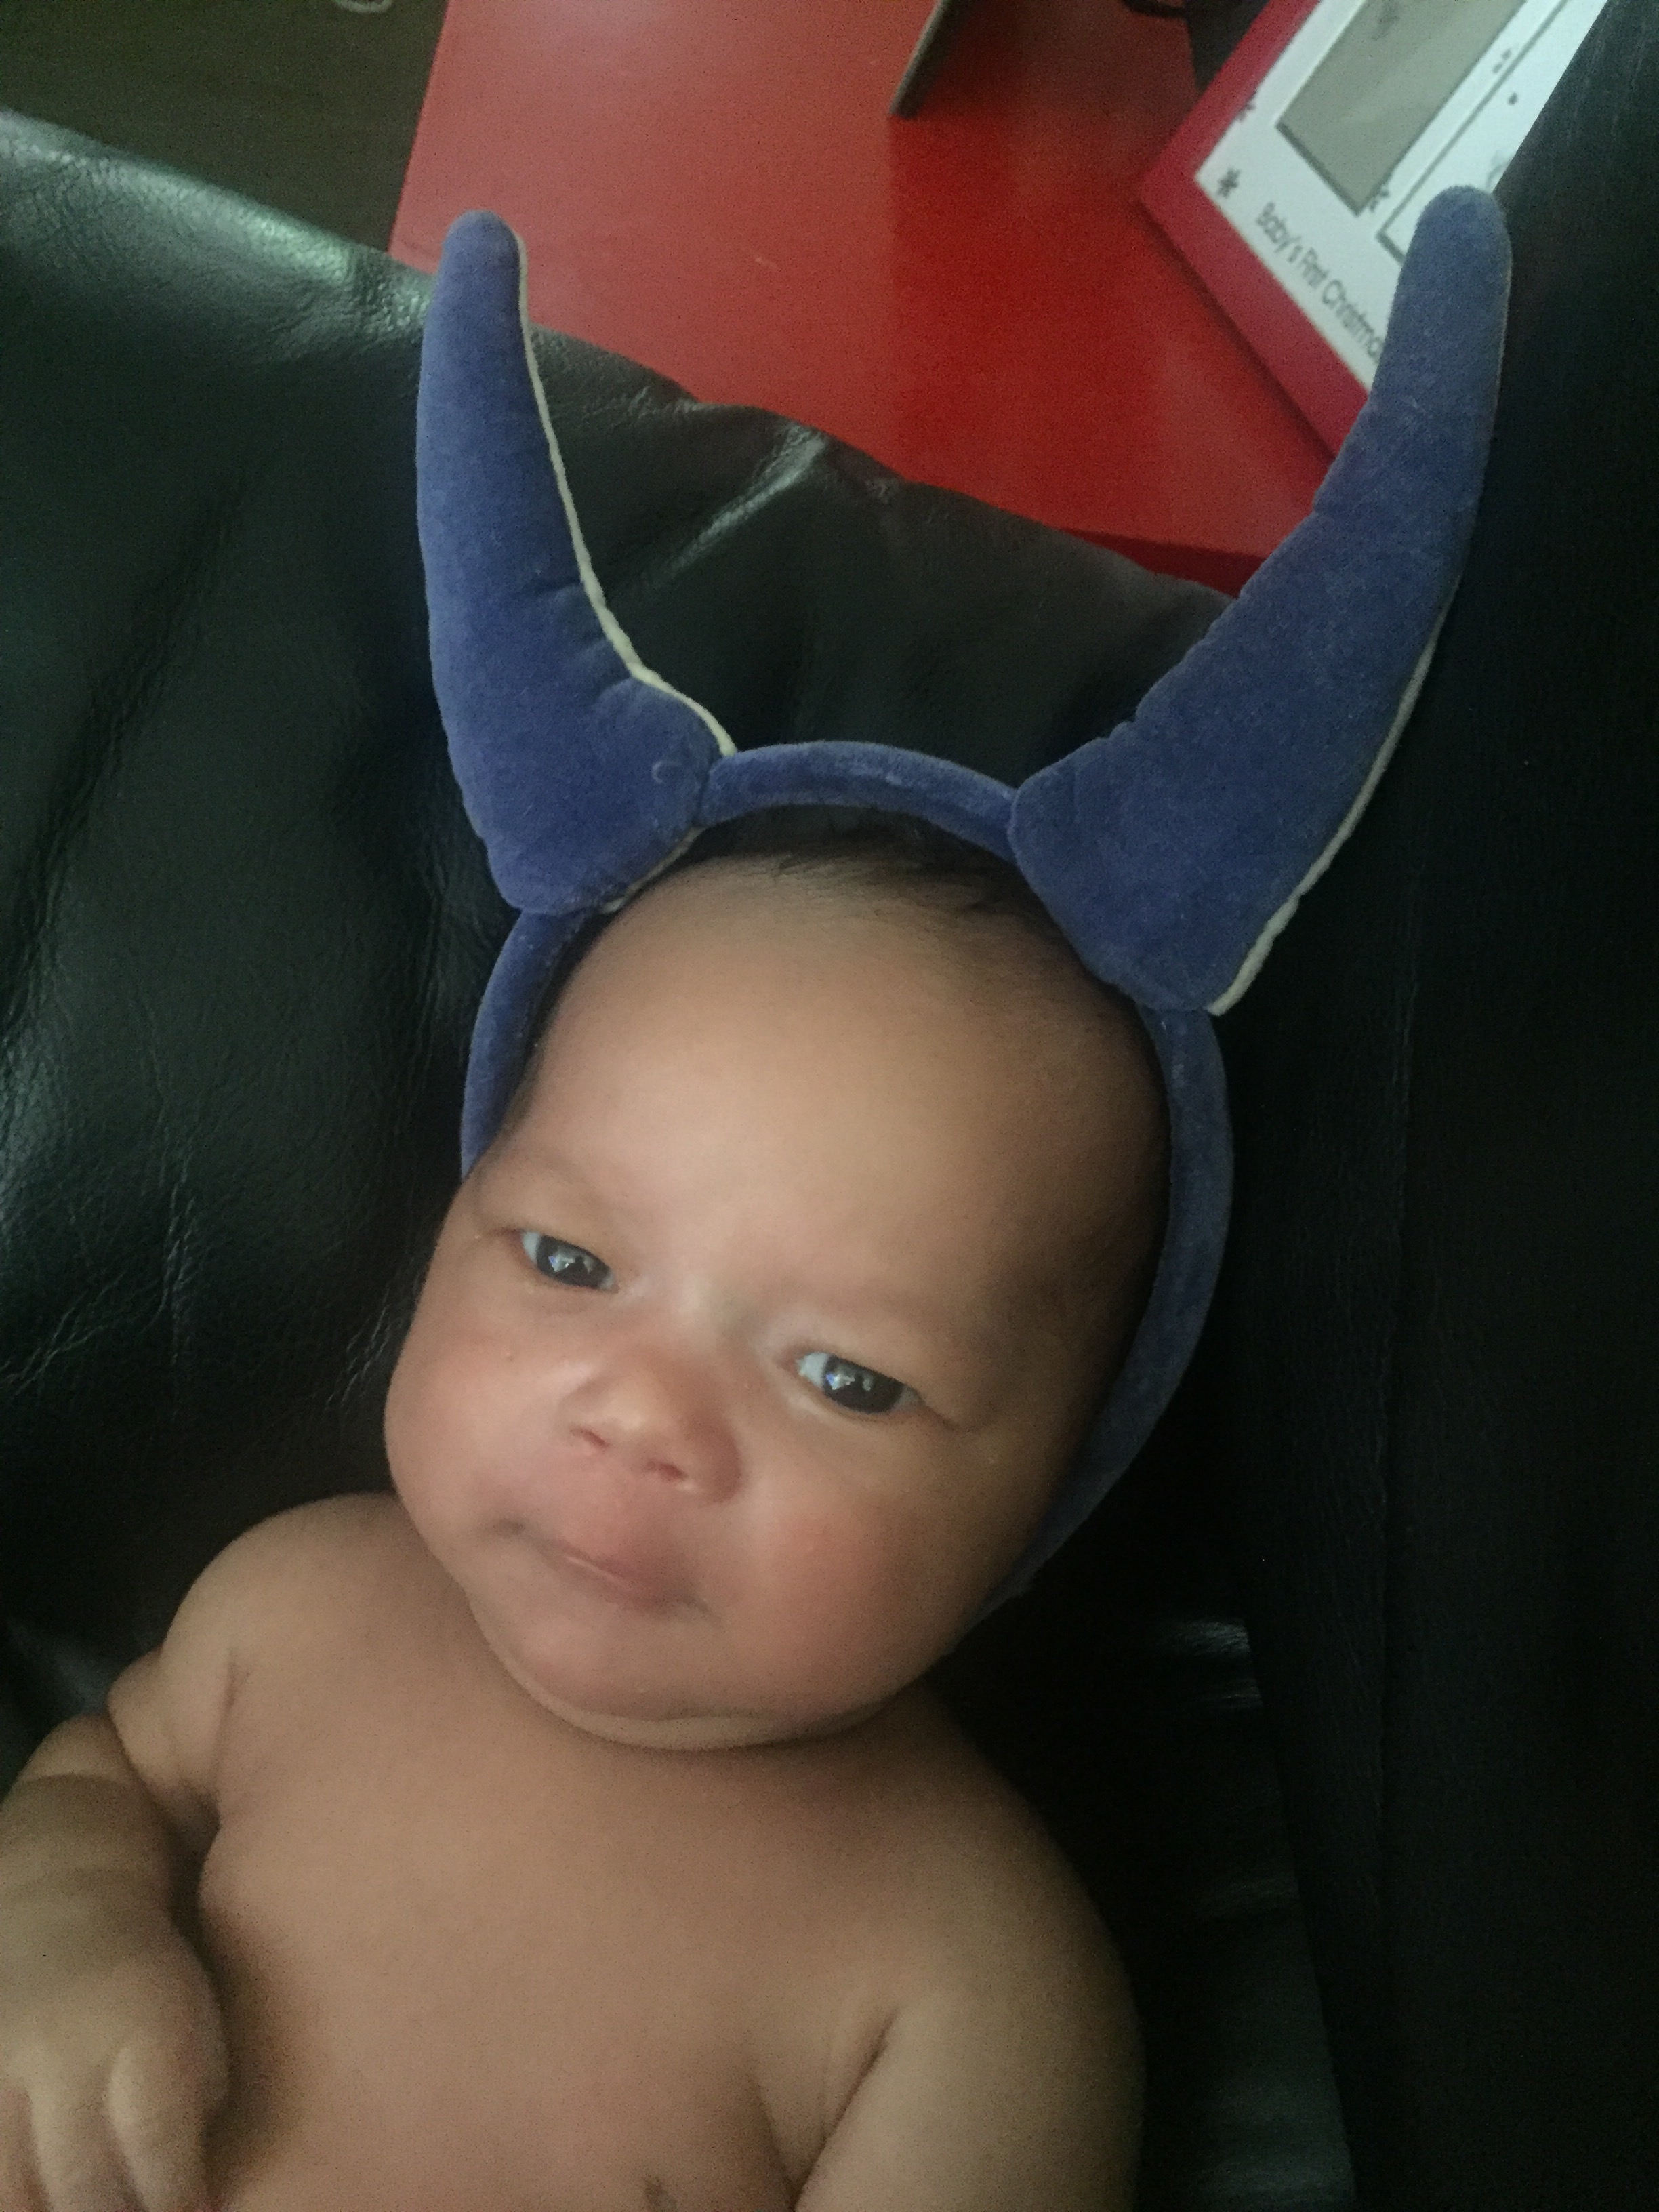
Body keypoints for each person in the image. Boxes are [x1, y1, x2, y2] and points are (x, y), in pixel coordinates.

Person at [0, 188, 1509, 2210]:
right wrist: (64, 1918)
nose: (644, 1415)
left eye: (849, 1376)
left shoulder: (959, 1982)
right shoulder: (291, 1603)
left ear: (1059, 1479)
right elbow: (105, 1771)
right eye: (567, 1258)